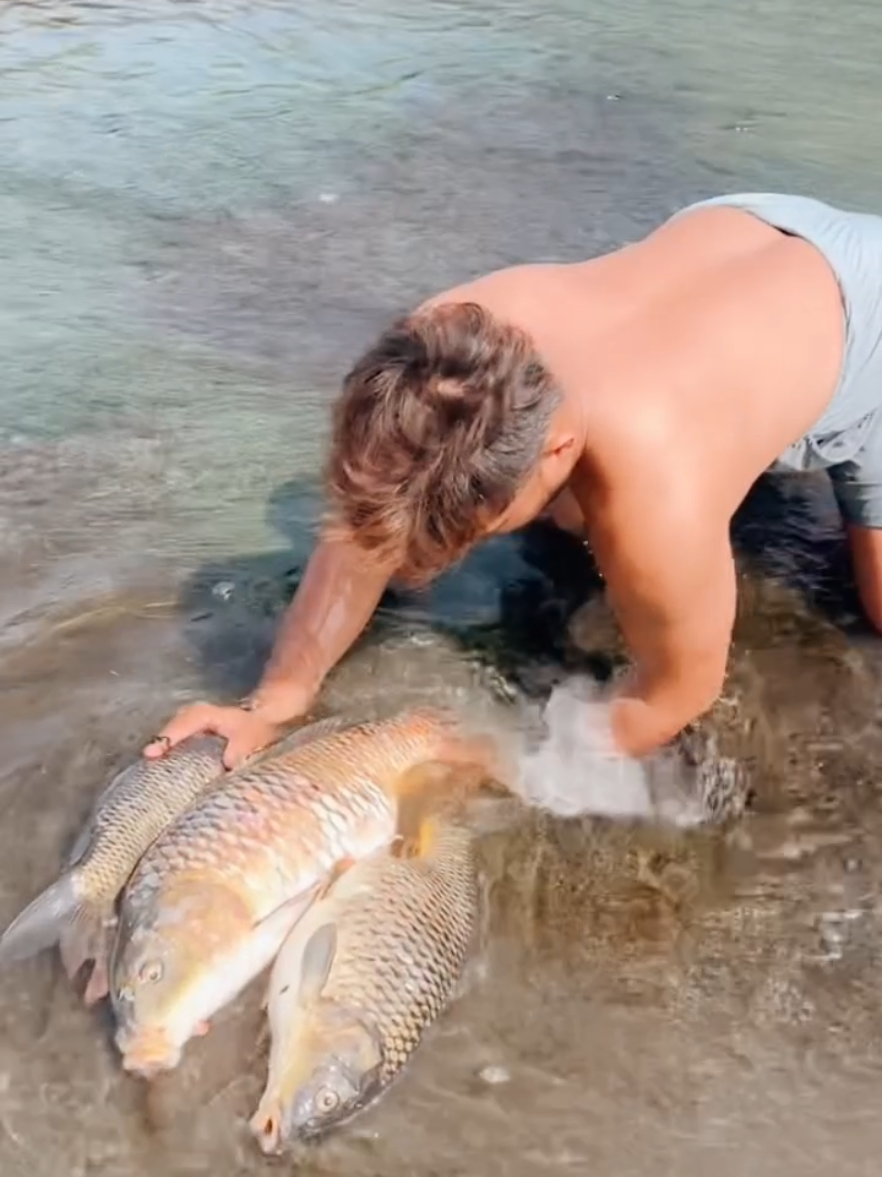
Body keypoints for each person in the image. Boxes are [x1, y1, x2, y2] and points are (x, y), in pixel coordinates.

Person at [144, 192, 882, 771]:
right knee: (568, 519)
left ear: (558, 449)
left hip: (863, 331)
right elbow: (366, 528)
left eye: (477, 531)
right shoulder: (437, 345)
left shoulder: (663, 493)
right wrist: (273, 701)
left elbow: (677, 691)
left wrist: (503, 756)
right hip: (744, 227)